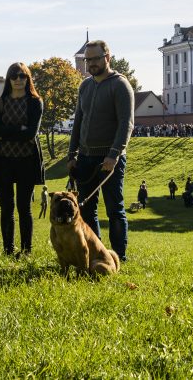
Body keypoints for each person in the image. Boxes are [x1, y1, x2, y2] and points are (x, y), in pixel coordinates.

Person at [67, 40, 134, 262]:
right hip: (85, 158)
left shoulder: (120, 84)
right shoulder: (85, 86)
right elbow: (78, 122)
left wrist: (114, 155)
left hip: (109, 160)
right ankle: (98, 256)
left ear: (107, 57)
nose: (91, 64)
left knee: (115, 210)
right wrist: (72, 155)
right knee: (87, 212)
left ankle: (119, 258)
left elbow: (126, 124)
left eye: (95, 59)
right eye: (88, 60)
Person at [0, 62, 44, 257]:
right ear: (9, 79)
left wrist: (7, 133)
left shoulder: (35, 102)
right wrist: (18, 129)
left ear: (28, 78)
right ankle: (8, 250)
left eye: (22, 76)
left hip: (27, 161)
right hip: (3, 161)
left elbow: (31, 133)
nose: (18, 80)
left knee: (24, 207)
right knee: (6, 208)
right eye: (14, 76)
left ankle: (26, 250)